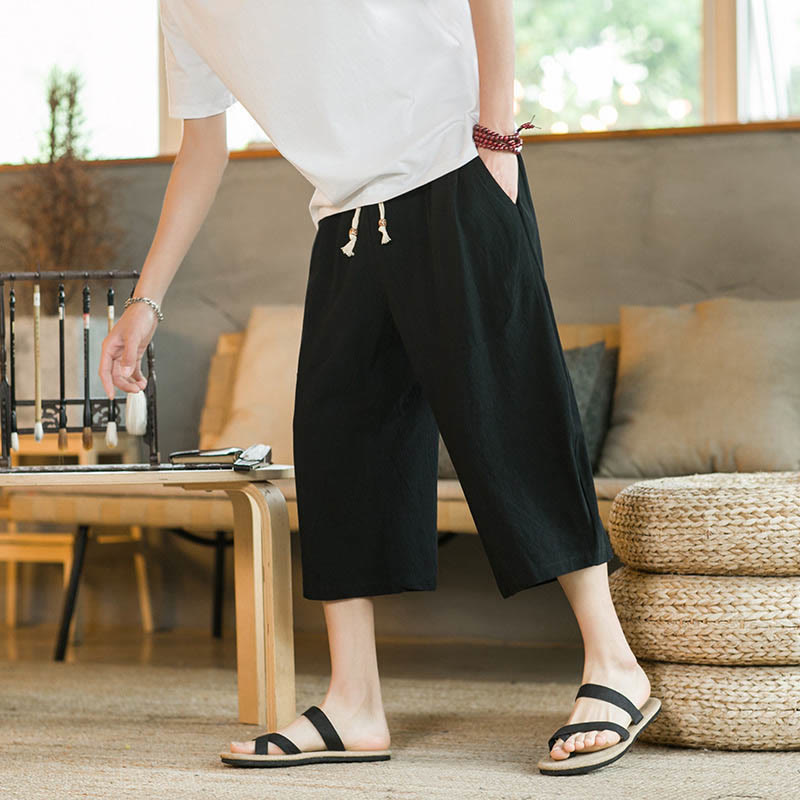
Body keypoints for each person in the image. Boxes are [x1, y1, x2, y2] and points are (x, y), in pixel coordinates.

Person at [99, 0, 660, 777]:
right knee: (341, 453)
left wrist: (497, 139)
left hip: (456, 172)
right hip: (347, 221)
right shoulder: (183, 11)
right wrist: (145, 302)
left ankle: (614, 662)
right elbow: (202, 145)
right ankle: (355, 702)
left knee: (512, 419)